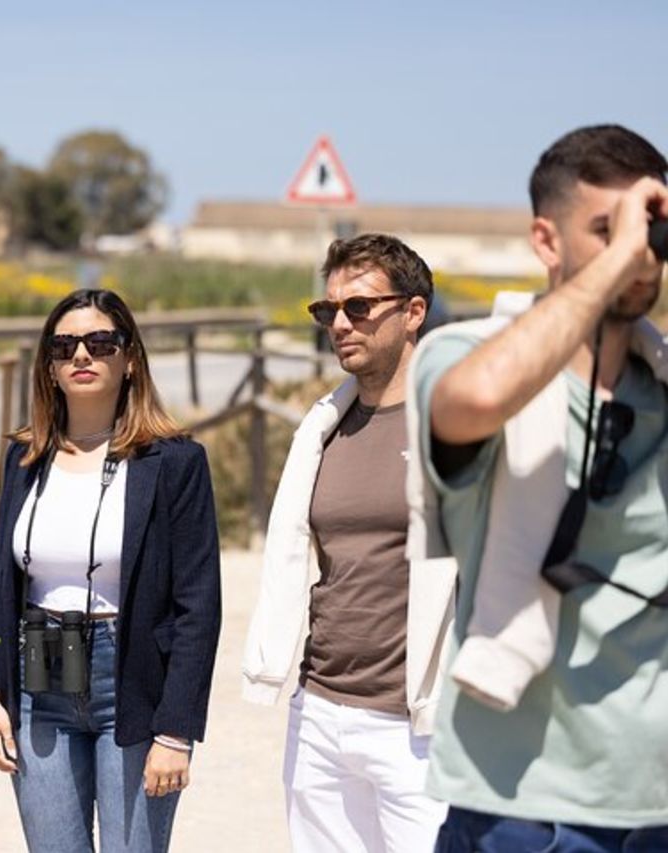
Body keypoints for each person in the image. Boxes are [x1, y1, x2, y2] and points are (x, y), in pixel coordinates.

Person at [408, 124, 668, 850]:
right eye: (606, 228)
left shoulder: (661, 381)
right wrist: (616, 262)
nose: (638, 250)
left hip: (653, 801)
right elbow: (479, 398)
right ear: (546, 242)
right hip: (521, 805)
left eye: (650, 230)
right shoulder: (463, 354)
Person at [0, 288, 222, 853]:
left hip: (132, 681)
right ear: (50, 367)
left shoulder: (175, 461)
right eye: (64, 346)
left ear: (129, 358)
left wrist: (176, 730)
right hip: (41, 672)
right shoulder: (23, 457)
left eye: (100, 342)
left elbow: (198, 606)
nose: (81, 355)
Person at [240, 234, 447, 852]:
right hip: (321, 713)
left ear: (413, 312)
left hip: (419, 727)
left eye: (359, 307)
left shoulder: (455, 425)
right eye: (327, 310)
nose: (338, 323)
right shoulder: (322, 428)